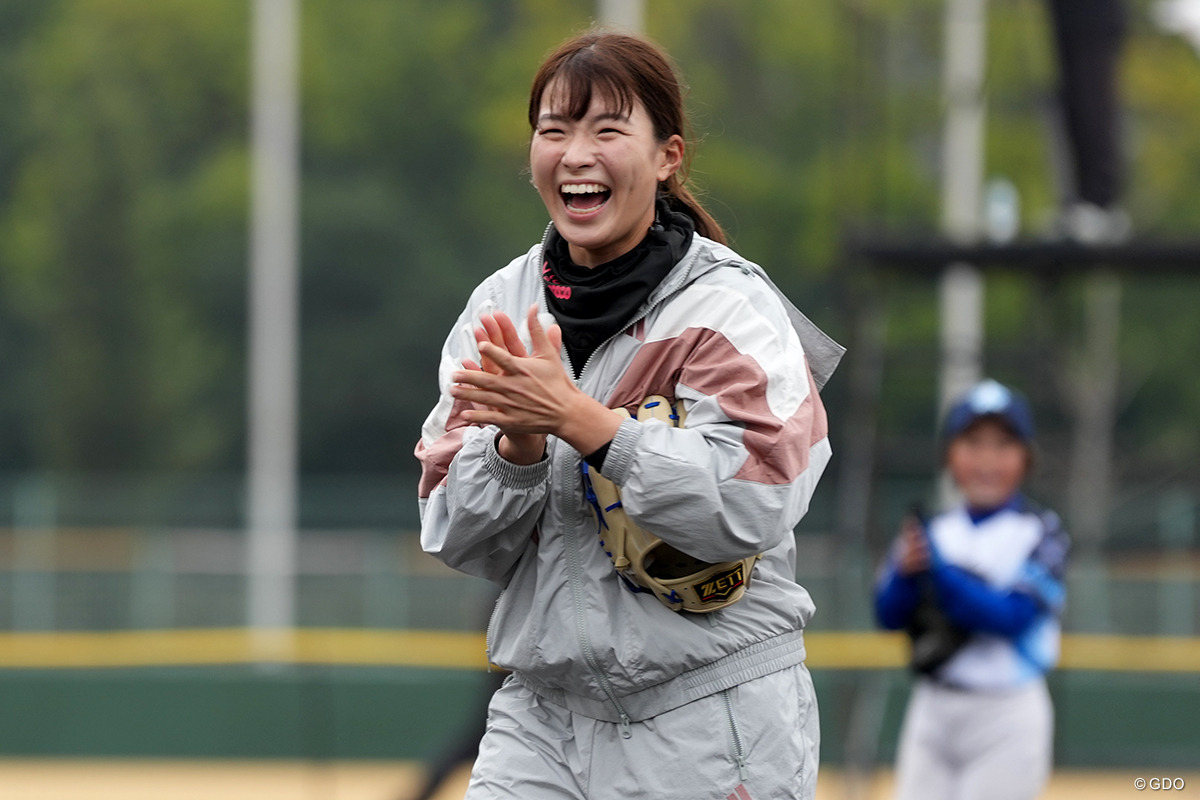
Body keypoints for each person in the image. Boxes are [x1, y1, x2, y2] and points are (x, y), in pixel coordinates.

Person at [415, 28, 841, 800]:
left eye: (607, 129)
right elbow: (451, 531)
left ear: (667, 156)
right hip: (540, 720)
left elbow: (757, 501)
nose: (576, 153)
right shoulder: (499, 307)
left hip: (710, 719)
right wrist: (515, 445)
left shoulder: (729, 309)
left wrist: (587, 424)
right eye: (555, 130)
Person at [873, 379, 1070, 800]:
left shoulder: (1041, 532)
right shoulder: (934, 532)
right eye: (973, 442)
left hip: (1007, 712)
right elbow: (887, 615)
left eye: (1003, 445)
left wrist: (938, 574)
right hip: (933, 708)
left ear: (1026, 457)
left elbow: (1010, 618)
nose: (987, 458)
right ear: (950, 455)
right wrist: (909, 575)